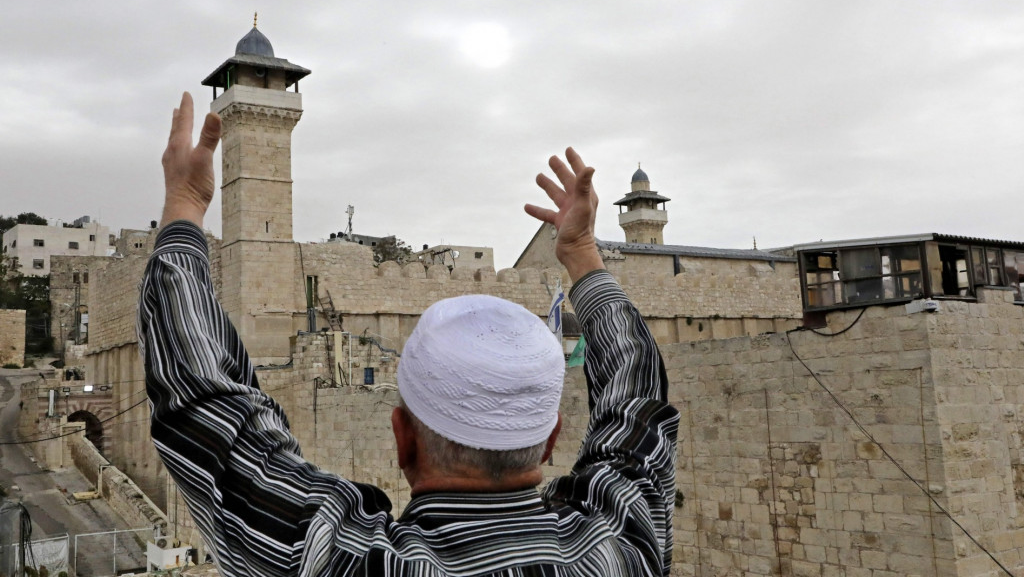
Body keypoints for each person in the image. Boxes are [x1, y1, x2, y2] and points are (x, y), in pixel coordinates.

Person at [139, 92, 680, 576]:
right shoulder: (623, 547)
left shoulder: (345, 562)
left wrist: (184, 204)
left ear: (402, 438)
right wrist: (583, 253)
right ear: (551, 437)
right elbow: (636, 400)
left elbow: (211, 418)